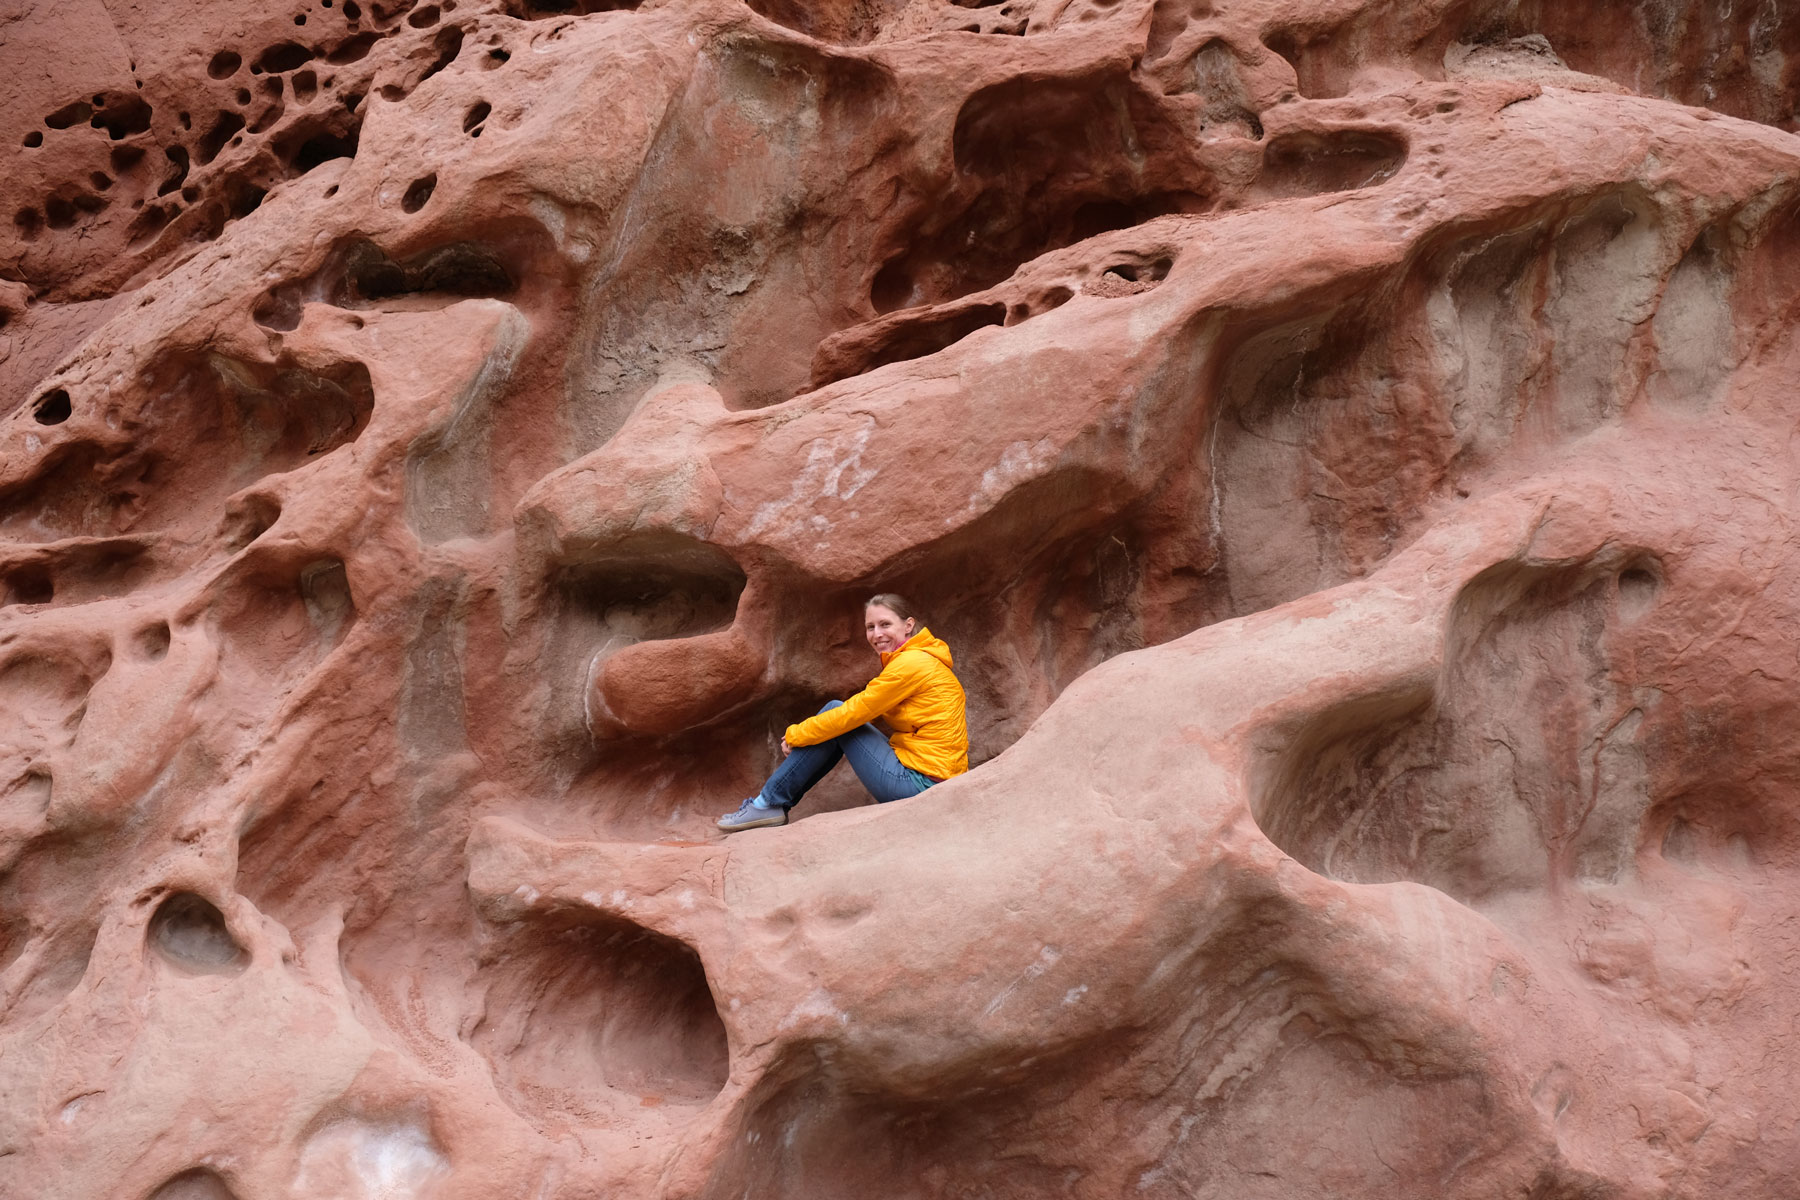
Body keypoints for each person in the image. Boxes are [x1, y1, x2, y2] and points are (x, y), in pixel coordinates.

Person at [717, 594, 968, 832]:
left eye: (885, 624)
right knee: (837, 719)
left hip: (921, 786)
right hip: (931, 779)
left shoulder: (912, 664)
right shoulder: (921, 658)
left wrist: (797, 734)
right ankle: (769, 804)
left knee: (837, 713)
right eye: (870, 627)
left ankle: (767, 804)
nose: (877, 634)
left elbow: (855, 712)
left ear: (908, 625)